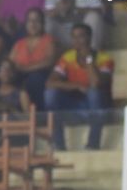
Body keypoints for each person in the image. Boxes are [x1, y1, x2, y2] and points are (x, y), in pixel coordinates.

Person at [44, 22, 113, 150]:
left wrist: (89, 59)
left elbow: (95, 83)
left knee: (93, 93)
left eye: (81, 36)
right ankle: (58, 144)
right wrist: (77, 86)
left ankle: (93, 144)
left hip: (96, 108)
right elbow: (49, 83)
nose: (77, 40)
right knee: (50, 94)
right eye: (74, 37)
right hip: (73, 105)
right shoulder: (67, 57)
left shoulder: (105, 59)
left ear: (89, 38)